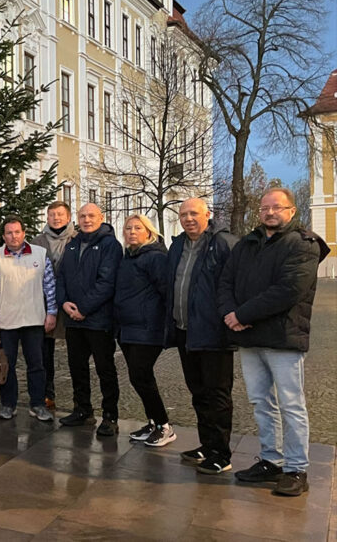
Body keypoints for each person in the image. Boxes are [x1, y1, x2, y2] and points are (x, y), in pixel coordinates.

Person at [220, 188, 330, 496]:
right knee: (261, 403)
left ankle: (296, 468)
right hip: (250, 338)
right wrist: (230, 313)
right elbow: (226, 281)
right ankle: (271, 459)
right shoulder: (247, 244)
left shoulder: (304, 245)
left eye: (277, 207)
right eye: (265, 208)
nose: (270, 212)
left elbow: (288, 290)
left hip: (284, 337)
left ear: (291, 211)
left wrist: (242, 314)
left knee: (291, 405)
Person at [163, 197, 236, 474]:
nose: (188, 218)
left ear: (208, 214)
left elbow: (236, 283)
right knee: (198, 392)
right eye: (183, 214)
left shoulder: (223, 243)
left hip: (214, 333)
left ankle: (221, 453)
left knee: (217, 394)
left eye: (194, 213)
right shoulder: (178, 245)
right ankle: (207, 445)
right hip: (185, 331)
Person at [56, 203, 122, 436]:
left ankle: (110, 416)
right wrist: (64, 302)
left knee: (105, 369)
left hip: (98, 320)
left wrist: (84, 308)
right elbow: (61, 276)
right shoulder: (72, 244)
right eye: (82, 216)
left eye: (91, 215)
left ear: (101, 218)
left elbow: (107, 282)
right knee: (77, 367)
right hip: (73, 320)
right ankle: (82, 410)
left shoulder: (110, 245)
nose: (86, 219)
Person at [0, 216, 56, 423]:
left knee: (37, 365)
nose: (13, 236)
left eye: (17, 232)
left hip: (34, 320)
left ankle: (38, 404)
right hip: (6, 322)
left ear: (24, 233)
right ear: (3, 235)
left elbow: (50, 286)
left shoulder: (40, 255)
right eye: (9, 233)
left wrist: (52, 312)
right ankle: (8, 405)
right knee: (6, 366)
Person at [114, 214, 173, 447]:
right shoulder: (128, 258)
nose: (131, 232)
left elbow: (166, 291)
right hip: (127, 328)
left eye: (137, 228)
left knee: (142, 375)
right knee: (138, 377)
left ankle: (164, 425)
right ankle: (153, 422)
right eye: (128, 228)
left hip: (148, 329)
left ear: (148, 232)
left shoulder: (155, 258)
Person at [31, 201, 75, 410]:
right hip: (43, 302)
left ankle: (80, 402)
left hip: (71, 302)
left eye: (60, 214)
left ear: (68, 217)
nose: (56, 218)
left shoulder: (78, 239)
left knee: (76, 351)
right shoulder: (37, 241)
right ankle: (47, 394)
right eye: (51, 214)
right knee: (43, 353)